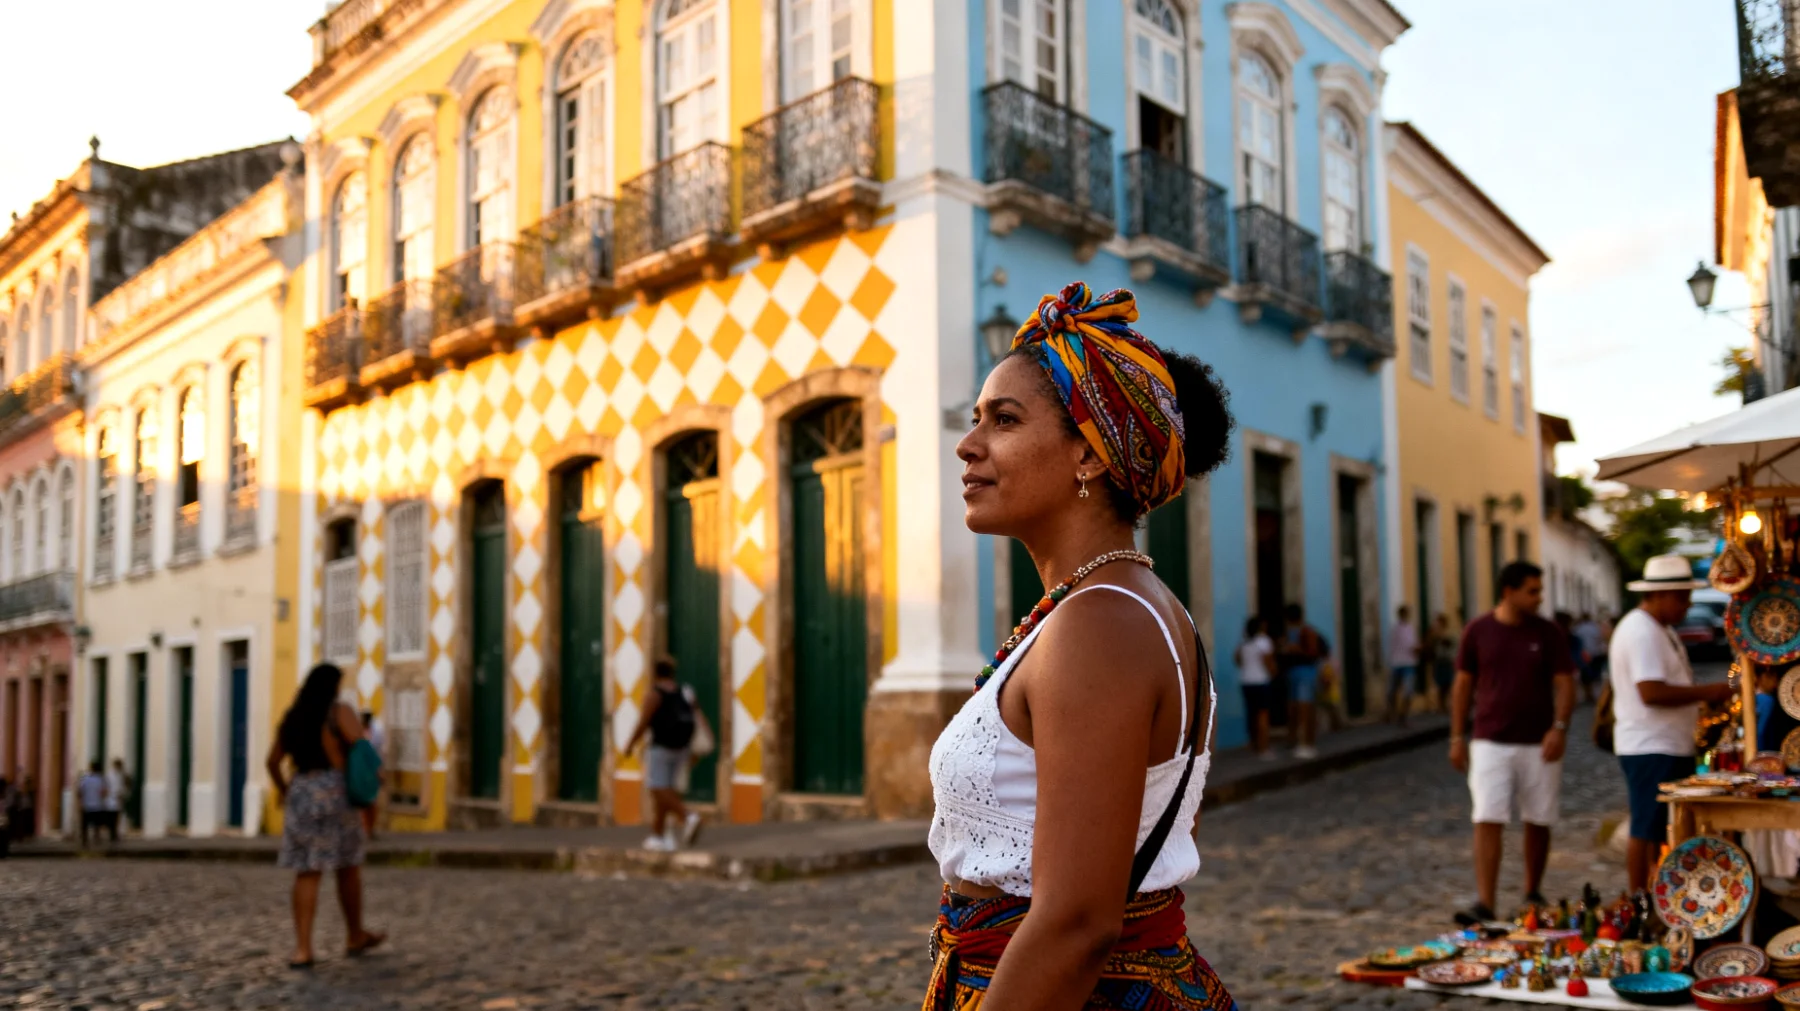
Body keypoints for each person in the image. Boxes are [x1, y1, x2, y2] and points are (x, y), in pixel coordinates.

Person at [927, 282, 1237, 1009]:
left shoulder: (1102, 622)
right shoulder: (1101, 606)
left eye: (1004, 419)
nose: (969, 445)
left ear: (1091, 456)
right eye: (975, 418)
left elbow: (1075, 924)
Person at [1449, 560, 1576, 925]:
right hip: (1490, 740)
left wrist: (1560, 727)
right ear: (1508, 592)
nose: (1539, 598)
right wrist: (1457, 736)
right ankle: (1485, 901)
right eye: (1532, 591)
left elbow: (1565, 682)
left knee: (1539, 817)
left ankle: (1532, 891)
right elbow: (1463, 685)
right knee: (1487, 817)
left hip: (1539, 742)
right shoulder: (1478, 631)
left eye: (1540, 591)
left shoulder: (1548, 633)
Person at [1609, 555, 1736, 892]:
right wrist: (1710, 690)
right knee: (1646, 828)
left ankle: (1654, 895)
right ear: (1660, 594)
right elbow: (1650, 691)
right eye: (1681, 597)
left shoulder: (1657, 629)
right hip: (1651, 745)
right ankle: (1639, 899)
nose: (1687, 605)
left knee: (1659, 829)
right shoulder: (1641, 631)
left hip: (1664, 743)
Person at [266, 663, 384, 969]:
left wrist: (285, 790)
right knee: (347, 867)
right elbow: (363, 751)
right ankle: (355, 934)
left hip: (302, 791)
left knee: (307, 872)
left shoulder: (293, 717)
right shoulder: (339, 713)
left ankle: (303, 949)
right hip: (336, 792)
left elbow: (273, 761)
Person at [624, 656, 709, 852]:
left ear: (654, 673)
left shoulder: (655, 695)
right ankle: (658, 836)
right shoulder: (686, 693)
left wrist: (630, 744)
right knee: (666, 791)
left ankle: (688, 816)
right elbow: (698, 718)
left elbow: (643, 723)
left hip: (661, 748)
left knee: (657, 788)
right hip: (682, 748)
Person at [1278, 603, 1327, 759]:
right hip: (1293, 673)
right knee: (1294, 708)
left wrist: (1295, 649)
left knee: (1306, 708)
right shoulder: (1289, 633)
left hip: (1306, 673)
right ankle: (1294, 740)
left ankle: (1308, 744)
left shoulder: (1307, 631)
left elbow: (1313, 653)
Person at [1235, 616, 1275, 760]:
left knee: (1251, 714)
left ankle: (1253, 743)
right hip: (1261, 681)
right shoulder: (1264, 642)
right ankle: (1264, 748)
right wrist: (1273, 673)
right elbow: (1268, 662)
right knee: (1263, 715)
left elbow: (1237, 660)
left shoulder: (1244, 644)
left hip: (1246, 681)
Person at [1385, 605, 1421, 726]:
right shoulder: (1396, 629)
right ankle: (1395, 714)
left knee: (1406, 691)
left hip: (1407, 663)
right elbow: (1411, 646)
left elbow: (1412, 645)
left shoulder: (1409, 628)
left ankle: (1401, 715)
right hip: (1398, 663)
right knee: (1394, 691)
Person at [359, 711, 385, 841]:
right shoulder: (359, 734)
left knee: (371, 802)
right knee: (364, 802)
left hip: (369, 771)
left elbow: (376, 754)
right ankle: (366, 829)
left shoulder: (375, 734)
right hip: (362, 771)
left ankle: (369, 828)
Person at [1573, 613, 1606, 704]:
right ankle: (1593, 694)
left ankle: (1588, 694)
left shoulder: (1578, 628)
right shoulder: (1594, 627)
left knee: (1586, 676)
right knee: (1595, 674)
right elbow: (1600, 638)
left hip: (1584, 654)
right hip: (1595, 653)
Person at [1430, 613, 1459, 714]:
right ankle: (1440, 706)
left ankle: (1447, 705)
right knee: (1440, 685)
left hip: (1447, 661)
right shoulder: (1435, 634)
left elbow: (1450, 643)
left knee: (1448, 684)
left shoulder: (1448, 633)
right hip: (1439, 661)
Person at [77, 761, 108, 849]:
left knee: (85, 825)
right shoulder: (101, 779)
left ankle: (84, 841)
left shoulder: (85, 779)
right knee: (97, 824)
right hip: (97, 805)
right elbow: (104, 792)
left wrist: (80, 802)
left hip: (86, 805)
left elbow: (80, 791)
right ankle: (96, 839)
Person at [105, 758, 129, 839]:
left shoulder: (122, 774)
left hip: (118, 798)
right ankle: (112, 833)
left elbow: (124, 785)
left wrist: (122, 794)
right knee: (111, 817)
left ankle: (115, 833)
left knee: (117, 817)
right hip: (111, 798)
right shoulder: (109, 775)